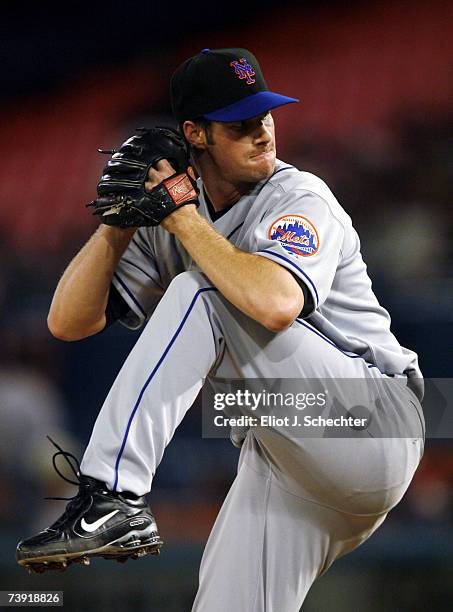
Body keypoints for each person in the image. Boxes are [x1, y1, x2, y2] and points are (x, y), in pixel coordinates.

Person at [17, 48, 425, 610]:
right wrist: (117, 223)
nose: (262, 133)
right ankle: (115, 498)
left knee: (200, 288)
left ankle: (113, 494)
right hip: (287, 459)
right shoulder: (175, 216)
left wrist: (180, 215)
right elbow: (68, 322)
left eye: (266, 115)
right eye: (240, 124)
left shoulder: (298, 196)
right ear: (196, 133)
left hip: (370, 423)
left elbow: (277, 302)